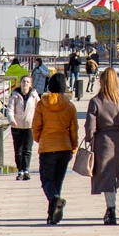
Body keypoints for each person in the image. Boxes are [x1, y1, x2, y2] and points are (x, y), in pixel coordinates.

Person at [32, 73, 77, 224]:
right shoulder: (70, 106)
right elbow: (74, 130)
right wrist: (73, 147)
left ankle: (55, 201)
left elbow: (36, 126)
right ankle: (52, 214)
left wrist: (39, 139)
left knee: (46, 180)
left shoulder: (42, 104)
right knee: (57, 182)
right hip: (64, 147)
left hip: (47, 147)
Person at [86, 67, 119, 224]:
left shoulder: (96, 101)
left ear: (102, 81)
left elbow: (90, 126)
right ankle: (111, 207)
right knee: (114, 174)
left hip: (102, 140)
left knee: (105, 174)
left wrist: (90, 139)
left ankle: (111, 209)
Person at [7, 76, 39, 180]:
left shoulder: (34, 95)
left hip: (30, 126)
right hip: (17, 126)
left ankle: (26, 170)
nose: (25, 83)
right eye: (23, 81)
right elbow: (10, 109)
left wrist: (38, 121)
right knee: (18, 149)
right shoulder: (15, 95)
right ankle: (20, 170)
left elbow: (39, 109)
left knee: (27, 149)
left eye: (27, 82)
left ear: (30, 84)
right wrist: (11, 119)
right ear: (20, 83)